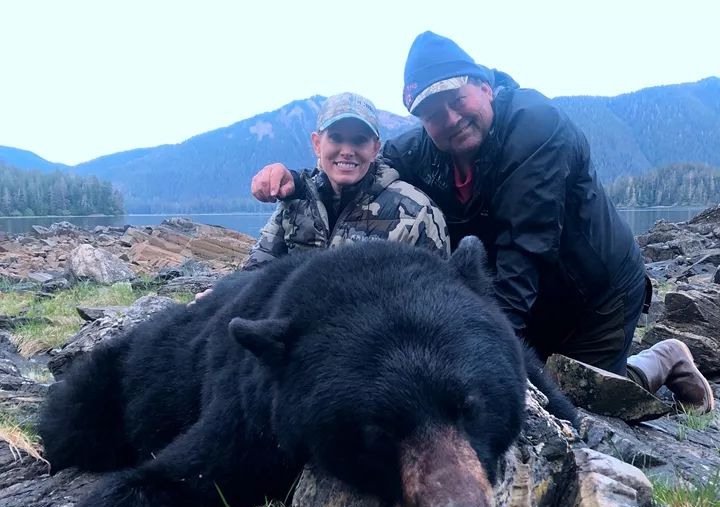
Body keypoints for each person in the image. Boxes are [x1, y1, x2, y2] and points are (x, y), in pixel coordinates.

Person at [251, 32, 714, 414]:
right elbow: (361, 167)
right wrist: (298, 181)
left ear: (485, 88)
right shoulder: (423, 149)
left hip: (596, 289)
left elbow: (526, 248)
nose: (450, 120)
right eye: (432, 114)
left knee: (576, 401)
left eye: (457, 101)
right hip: (527, 289)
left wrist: (485, 346)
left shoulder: (537, 130)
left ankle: (661, 358)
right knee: (519, 382)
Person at [242, 91, 450, 271]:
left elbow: (436, 299)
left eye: (359, 140)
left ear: (375, 149)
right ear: (317, 144)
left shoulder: (418, 213)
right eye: (336, 138)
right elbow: (254, 274)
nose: (347, 151)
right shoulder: (296, 202)